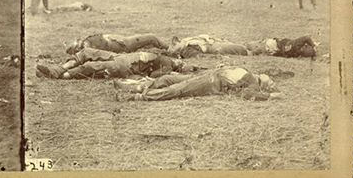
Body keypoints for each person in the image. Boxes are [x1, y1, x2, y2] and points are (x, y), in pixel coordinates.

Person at [115, 66, 281, 102]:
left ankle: (137, 96)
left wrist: (271, 95)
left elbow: (248, 95)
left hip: (210, 83)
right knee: (168, 79)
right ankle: (135, 86)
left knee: (176, 89)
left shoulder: (253, 83)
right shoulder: (253, 74)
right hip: (208, 75)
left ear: (264, 86)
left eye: (271, 82)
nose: (271, 80)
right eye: (272, 81)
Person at [36, 47, 194, 79]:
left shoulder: (166, 67)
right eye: (180, 61)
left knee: (90, 67)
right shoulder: (164, 55)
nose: (179, 61)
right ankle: (59, 68)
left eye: (181, 64)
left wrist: (171, 71)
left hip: (125, 67)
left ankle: (59, 75)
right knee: (87, 52)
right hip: (121, 56)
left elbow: (153, 76)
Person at [66, 33, 169, 55]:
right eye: (77, 44)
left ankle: (169, 50)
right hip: (124, 44)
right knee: (151, 37)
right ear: (77, 49)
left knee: (148, 39)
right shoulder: (87, 47)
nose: (79, 41)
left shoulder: (87, 42)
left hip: (122, 40)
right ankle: (173, 50)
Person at [168, 34, 248, 58]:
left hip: (214, 42)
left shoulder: (186, 41)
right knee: (241, 49)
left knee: (244, 45)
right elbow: (200, 56)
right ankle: (255, 51)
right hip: (214, 47)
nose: (174, 47)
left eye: (174, 45)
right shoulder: (186, 50)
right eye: (173, 46)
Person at [244, 36, 318, 58]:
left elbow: (307, 38)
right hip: (267, 47)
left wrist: (313, 46)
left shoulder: (296, 46)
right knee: (247, 49)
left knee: (246, 48)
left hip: (266, 45)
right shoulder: (295, 52)